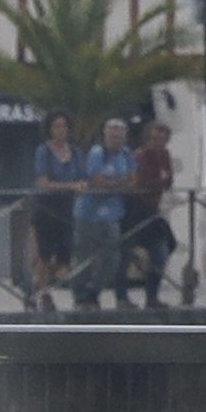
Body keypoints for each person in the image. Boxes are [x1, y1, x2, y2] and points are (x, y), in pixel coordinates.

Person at [72, 116, 134, 311]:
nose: (117, 140)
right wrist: (119, 183)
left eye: (120, 137)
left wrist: (114, 184)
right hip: (89, 214)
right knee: (84, 257)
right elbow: (98, 182)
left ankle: (94, 291)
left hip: (113, 214)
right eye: (113, 136)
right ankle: (80, 297)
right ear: (105, 136)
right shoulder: (97, 153)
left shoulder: (126, 154)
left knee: (113, 257)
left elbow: (133, 180)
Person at [27, 114, 82, 314]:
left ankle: (36, 286)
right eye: (56, 126)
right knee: (43, 253)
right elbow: (43, 182)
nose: (61, 130)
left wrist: (81, 185)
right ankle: (45, 295)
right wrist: (70, 186)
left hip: (66, 208)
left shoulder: (75, 152)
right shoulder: (44, 151)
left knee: (64, 257)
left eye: (64, 126)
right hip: (46, 206)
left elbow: (81, 177)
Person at [125, 117, 175, 311]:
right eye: (155, 138)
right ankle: (126, 295)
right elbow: (142, 183)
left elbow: (168, 180)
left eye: (162, 139)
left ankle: (152, 295)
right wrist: (159, 181)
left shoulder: (165, 155)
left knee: (166, 246)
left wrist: (161, 181)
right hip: (138, 208)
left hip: (153, 209)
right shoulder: (140, 156)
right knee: (129, 251)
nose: (158, 143)